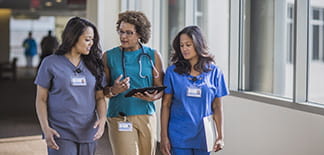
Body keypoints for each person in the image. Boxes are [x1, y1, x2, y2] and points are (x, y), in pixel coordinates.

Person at [35, 17, 107, 155]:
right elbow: (41, 99)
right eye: (87, 39)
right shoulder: (50, 63)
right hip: (60, 131)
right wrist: (45, 128)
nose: (91, 44)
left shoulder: (94, 65)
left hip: (88, 131)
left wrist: (102, 120)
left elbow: (99, 98)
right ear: (73, 38)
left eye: (92, 40)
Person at [103, 11, 164, 155]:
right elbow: (102, 90)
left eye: (129, 33)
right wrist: (114, 90)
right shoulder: (108, 56)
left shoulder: (152, 55)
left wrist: (154, 97)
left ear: (140, 34)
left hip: (146, 115)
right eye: (121, 31)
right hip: (119, 115)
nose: (123, 36)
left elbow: (160, 87)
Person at [160, 26, 229, 155]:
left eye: (188, 45)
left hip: (204, 136)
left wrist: (220, 136)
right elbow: (166, 104)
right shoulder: (172, 72)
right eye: (181, 46)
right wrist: (163, 136)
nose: (184, 49)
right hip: (179, 136)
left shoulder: (215, 72)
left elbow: (217, 107)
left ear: (198, 44)